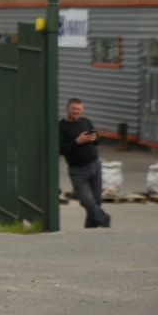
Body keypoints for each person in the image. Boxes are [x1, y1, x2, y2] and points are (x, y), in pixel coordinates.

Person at [58, 97, 110, 230]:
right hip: (77, 170)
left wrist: (94, 138)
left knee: (96, 200)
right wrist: (77, 141)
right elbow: (60, 149)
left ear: (82, 110)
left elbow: (98, 142)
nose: (76, 111)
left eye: (79, 109)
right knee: (87, 201)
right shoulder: (61, 126)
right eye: (73, 109)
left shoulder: (86, 122)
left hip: (94, 165)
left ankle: (90, 229)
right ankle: (104, 219)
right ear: (68, 109)